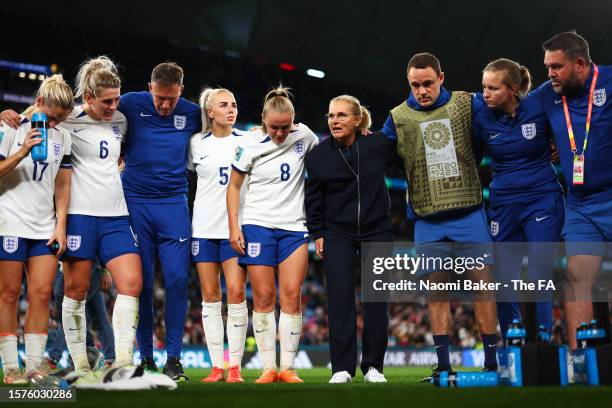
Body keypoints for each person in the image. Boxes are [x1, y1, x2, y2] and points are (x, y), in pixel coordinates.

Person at [382, 53, 498, 374]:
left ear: (441, 78)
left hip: (470, 213)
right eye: (415, 85)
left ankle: (491, 363)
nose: (422, 91)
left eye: (428, 83)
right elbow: (377, 152)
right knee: (437, 295)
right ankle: (443, 366)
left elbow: (502, 119)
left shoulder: (467, 103)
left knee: (484, 289)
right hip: (427, 221)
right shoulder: (398, 117)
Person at [227, 86, 318, 384]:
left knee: (292, 294)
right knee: (264, 296)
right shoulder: (250, 142)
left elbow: (332, 151)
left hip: (294, 227)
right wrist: (234, 226)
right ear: (263, 120)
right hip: (257, 225)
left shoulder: (304, 136)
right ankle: (268, 367)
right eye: (273, 127)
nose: (279, 133)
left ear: (293, 120)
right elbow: (234, 187)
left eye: (285, 127)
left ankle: (288, 368)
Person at [58, 57, 141, 376]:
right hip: (81, 216)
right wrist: (12, 115)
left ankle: (122, 361)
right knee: (75, 291)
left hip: (116, 217)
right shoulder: (69, 121)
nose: (113, 106)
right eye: (107, 101)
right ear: (88, 98)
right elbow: (37, 117)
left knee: (132, 283)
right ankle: (80, 365)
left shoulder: (120, 120)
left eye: (117, 99)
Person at [119, 62, 201, 380]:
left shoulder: (194, 112)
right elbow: (85, 109)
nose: (165, 106)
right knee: (140, 284)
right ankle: (146, 358)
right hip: (135, 203)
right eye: (160, 98)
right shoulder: (129, 102)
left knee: (178, 281)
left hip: (174, 205)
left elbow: (227, 126)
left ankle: (174, 359)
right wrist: (21, 115)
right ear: (150, 86)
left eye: (172, 99)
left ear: (181, 89)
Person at [305, 95, 394, 384]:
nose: (334, 121)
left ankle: (373, 367)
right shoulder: (319, 155)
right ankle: (341, 367)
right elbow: (313, 198)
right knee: (340, 300)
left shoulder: (377, 145)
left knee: (376, 300)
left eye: (342, 115)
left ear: (358, 120)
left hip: (377, 229)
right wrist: (317, 232)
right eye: (331, 116)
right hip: (337, 233)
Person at [473, 58, 563, 341]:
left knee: (538, 269)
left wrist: (562, 141)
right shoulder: (478, 111)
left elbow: (575, 86)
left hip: (542, 200)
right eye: (483, 87)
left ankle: (543, 338)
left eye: (493, 88)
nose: (485, 93)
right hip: (503, 204)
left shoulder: (539, 101)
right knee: (503, 276)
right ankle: (515, 340)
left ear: (513, 89)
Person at [534, 31, 612, 350]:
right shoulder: (546, 95)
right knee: (578, 276)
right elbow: (510, 113)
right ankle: (581, 360)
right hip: (579, 203)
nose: (550, 73)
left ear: (580, 63)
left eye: (557, 66)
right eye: (547, 66)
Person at [0, 75, 73, 384]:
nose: (55, 124)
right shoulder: (9, 128)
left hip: (44, 227)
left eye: (62, 120)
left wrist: (61, 225)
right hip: (10, 221)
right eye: (53, 117)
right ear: (40, 103)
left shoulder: (62, 138)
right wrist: (22, 151)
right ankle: (10, 368)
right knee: (9, 294)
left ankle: (33, 367)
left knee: (42, 294)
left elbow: (63, 186)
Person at [189, 88, 247, 383]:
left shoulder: (247, 141)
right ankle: (216, 366)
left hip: (234, 230)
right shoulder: (196, 143)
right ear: (209, 111)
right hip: (203, 228)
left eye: (234, 104)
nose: (231, 109)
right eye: (224, 105)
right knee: (210, 296)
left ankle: (234, 366)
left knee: (236, 293)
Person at [47, 260, 115, 369]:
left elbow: (102, 243)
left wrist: (105, 269)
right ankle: (102, 356)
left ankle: (53, 357)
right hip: (72, 266)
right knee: (98, 318)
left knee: (70, 311)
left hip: (89, 267)